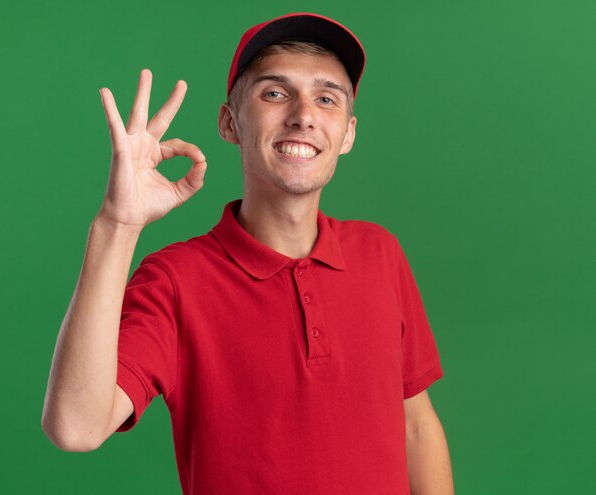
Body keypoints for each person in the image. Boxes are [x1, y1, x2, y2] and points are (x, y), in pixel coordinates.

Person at [42, 12, 454, 495]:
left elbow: (416, 426)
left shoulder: (380, 253)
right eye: (275, 93)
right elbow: (76, 427)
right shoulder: (176, 281)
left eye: (326, 98)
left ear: (347, 133)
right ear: (229, 122)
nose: (304, 114)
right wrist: (117, 224)